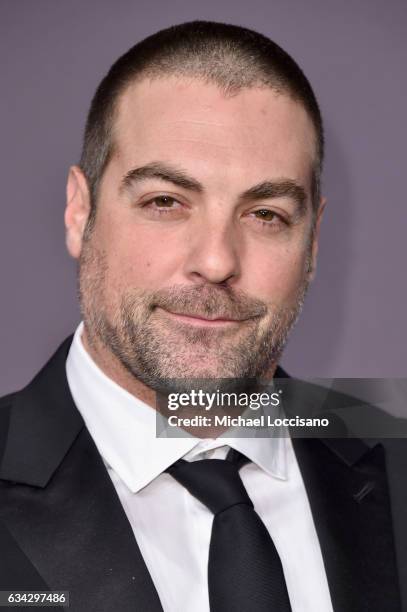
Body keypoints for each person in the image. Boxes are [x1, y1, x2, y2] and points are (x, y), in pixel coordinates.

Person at [0, 20, 404, 612]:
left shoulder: (389, 455)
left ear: (313, 244)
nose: (216, 261)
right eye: (165, 202)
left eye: (266, 214)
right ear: (78, 212)